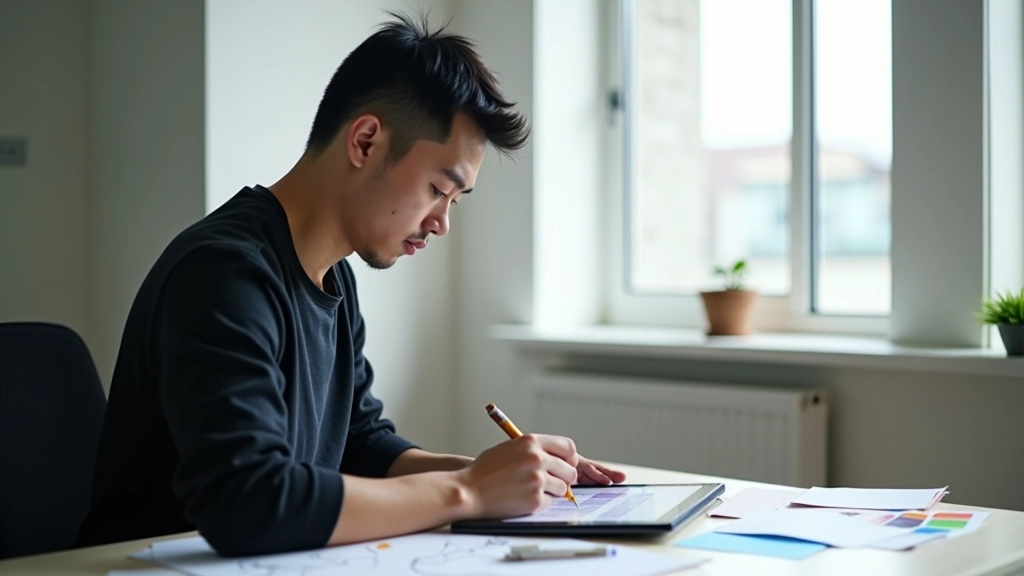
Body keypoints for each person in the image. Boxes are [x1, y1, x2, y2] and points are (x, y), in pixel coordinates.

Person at [76, 14, 625, 557]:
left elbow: (359, 444)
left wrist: (506, 473)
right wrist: (469, 492)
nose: (442, 223)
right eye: (439, 189)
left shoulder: (333, 275)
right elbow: (247, 501)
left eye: (454, 201)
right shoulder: (223, 275)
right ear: (365, 141)